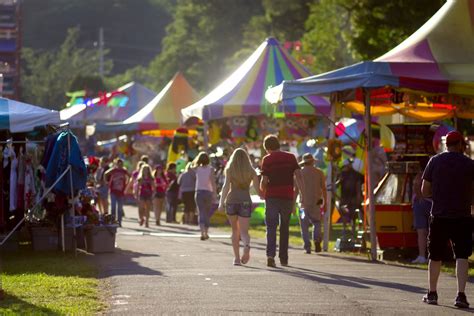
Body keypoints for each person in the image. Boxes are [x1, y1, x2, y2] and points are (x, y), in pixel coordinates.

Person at [421, 131, 473, 308]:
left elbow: (424, 190)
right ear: (460, 145)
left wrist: (436, 195)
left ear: (446, 144)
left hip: (439, 215)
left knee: (435, 255)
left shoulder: (434, 161)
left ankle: (432, 293)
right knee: (462, 255)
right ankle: (460, 295)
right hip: (463, 216)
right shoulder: (469, 164)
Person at [260, 135, 304, 267]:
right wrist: (302, 193)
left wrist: (262, 190)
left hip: (272, 197)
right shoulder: (291, 157)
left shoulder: (267, 159)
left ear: (267, 148)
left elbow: (264, 181)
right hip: (287, 197)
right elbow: (298, 176)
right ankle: (284, 258)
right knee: (284, 227)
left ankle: (270, 256)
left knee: (271, 227)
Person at [218, 148, 261, 265]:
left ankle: (236, 259)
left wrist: (221, 203)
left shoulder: (230, 169)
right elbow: (257, 189)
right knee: (244, 232)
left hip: (231, 201)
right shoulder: (251, 171)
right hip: (245, 201)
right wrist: (263, 196)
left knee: (234, 231)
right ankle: (246, 245)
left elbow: (226, 186)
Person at [297, 153, 327, 254]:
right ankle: (317, 240)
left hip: (303, 203)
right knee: (317, 222)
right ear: (313, 161)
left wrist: (292, 204)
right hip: (316, 202)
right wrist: (325, 203)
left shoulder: (299, 173)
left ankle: (307, 246)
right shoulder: (319, 173)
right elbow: (324, 189)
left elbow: (295, 190)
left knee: (304, 226)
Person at [411, 158, 432, 264]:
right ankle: (430, 255)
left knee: (421, 232)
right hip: (432, 203)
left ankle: (421, 255)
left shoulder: (420, 175)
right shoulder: (433, 173)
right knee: (431, 232)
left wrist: (420, 197)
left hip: (421, 204)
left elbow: (416, 185)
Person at [193, 152, 217, 240]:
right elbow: (213, 182)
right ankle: (206, 232)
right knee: (207, 213)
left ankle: (202, 232)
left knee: (201, 212)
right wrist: (214, 193)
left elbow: (190, 165)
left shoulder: (197, 168)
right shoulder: (211, 169)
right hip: (208, 192)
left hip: (199, 192)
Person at [338, 158, 364, 237]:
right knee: (347, 216)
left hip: (352, 198)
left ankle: (350, 231)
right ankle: (346, 231)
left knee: (352, 216)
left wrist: (359, 197)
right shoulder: (342, 174)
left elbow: (359, 186)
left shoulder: (357, 175)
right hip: (346, 198)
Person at [105, 158, 130, 227]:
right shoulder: (114, 170)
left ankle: (119, 222)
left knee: (119, 208)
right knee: (113, 207)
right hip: (113, 191)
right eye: (118, 164)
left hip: (121, 191)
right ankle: (113, 221)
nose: (120, 165)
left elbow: (129, 176)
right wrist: (106, 182)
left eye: (121, 164)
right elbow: (106, 174)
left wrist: (127, 184)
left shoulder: (124, 171)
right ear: (116, 164)